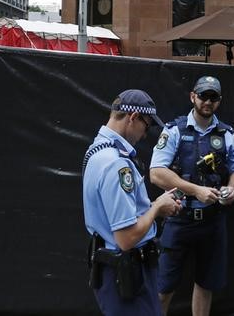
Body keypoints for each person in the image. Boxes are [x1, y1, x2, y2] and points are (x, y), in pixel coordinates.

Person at [150, 76, 234, 316]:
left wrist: (232, 189)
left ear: (219, 101)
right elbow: (156, 173)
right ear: (193, 96)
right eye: (203, 96)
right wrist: (196, 190)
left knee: (205, 284)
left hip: (212, 220)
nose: (208, 102)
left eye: (213, 97)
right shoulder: (174, 130)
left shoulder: (226, 133)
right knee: (164, 287)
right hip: (179, 217)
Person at [83, 89, 181, 315]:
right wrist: (157, 208)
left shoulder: (97, 151)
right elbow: (126, 238)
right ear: (133, 117)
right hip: (127, 272)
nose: (145, 134)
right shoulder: (116, 164)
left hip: (114, 270)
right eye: (146, 126)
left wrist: (158, 207)